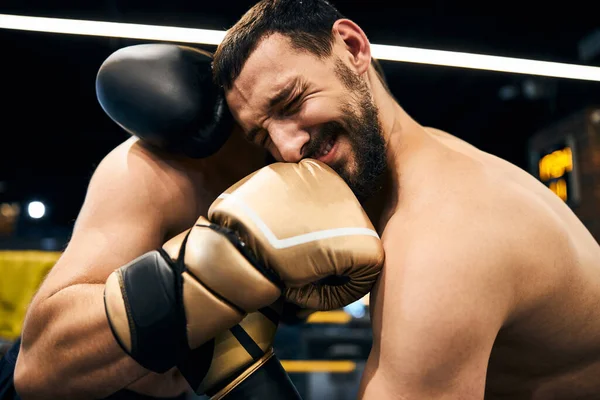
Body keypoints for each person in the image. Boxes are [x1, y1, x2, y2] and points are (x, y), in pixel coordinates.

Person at [211, 0, 600, 398]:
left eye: (292, 102)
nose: (287, 148)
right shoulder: (431, 157)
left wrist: (242, 379)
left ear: (352, 47)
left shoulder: (442, 241)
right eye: (263, 138)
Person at [2, 43, 384, 400]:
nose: (289, 141)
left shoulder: (341, 178)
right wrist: (208, 267)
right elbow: (36, 368)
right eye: (283, 101)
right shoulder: (150, 173)